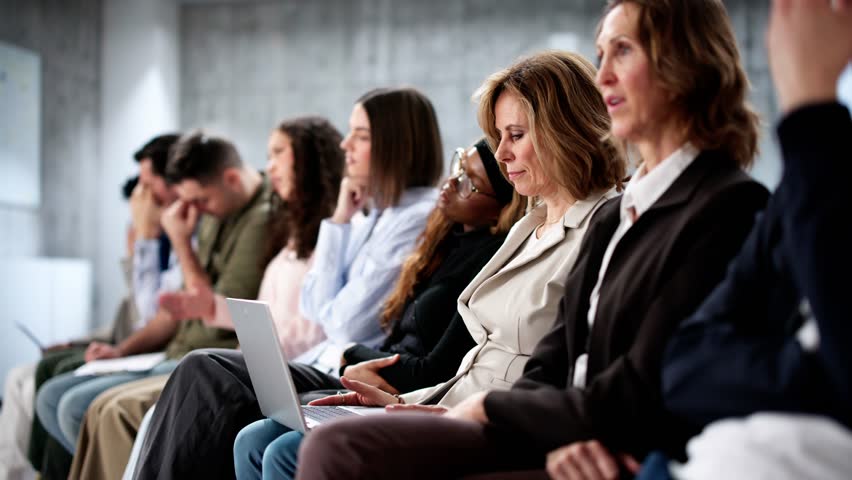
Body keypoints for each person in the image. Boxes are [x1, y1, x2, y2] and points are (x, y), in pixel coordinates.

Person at [295, 1, 771, 478]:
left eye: (622, 51)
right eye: (601, 55)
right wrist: (447, 412)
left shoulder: (724, 206)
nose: (603, 76)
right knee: (307, 432)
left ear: (686, 62)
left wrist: (488, 413)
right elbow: (552, 364)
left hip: (599, 442)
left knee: (336, 448)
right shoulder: (618, 214)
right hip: (541, 421)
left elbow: (643, 384)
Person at [257, 49, 626, 480]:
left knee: (291, 449)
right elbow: (477, 364)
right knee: (263, 435)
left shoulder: (603, 225)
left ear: (564, 131)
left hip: (498, 422)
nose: (502, 153)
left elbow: (549, 377)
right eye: (498, 136)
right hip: (451, 402)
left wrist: (414, 408)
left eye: (516, 135)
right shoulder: (529, 224)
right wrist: (403, 404)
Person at [133, 87, 444, 479]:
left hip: (344, 368)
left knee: (204, 367)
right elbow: (316, 304)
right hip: (322, 358)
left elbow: (346, 324)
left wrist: (339, 232)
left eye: (361, 136)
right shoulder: (370, 215)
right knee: (199, 376)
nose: (346, 144)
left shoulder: (416, 217)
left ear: (397, 144)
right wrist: (341, 221)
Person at [634, 1, 852, 478]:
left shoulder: (738, 198)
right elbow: (686, 364)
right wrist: (817, 372)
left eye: (622, 52)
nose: (601, 76)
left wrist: (811, 110)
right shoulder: (806, 184)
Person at [65, 116, 346, 480]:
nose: (269, 165)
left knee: (154, 391)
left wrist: (177, 251)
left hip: (281, 359)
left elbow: (319, 324)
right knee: (83, 396)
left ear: (307, 159)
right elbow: (179, 307)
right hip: (262, 357)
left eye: (278, 153)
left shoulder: (291, 226)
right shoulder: (287, 232)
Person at [33, 131, 271, 474]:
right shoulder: (217, 211)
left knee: (80, 407)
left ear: (231, 178)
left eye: (201, 200)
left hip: (207, 358)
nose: (197, 211)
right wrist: (120, 351)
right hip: (178, 349)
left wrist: (178, 240)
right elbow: (169, 311)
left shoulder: (258, 219)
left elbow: (204, 305)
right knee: (54, 394)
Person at [0, 134, 182, 480]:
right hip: (136, 343)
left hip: (156, 349)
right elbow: (129, 313)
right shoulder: (162, 236)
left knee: (59, 388)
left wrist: (143, 240)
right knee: (37, 376)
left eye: (147, 184)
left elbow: (149, 315)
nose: (143, 196)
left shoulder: (177, 237)